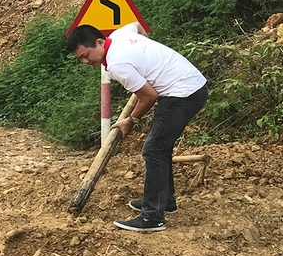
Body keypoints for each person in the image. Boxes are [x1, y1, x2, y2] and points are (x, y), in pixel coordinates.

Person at [67, 23, 208, 233]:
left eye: (86, 55)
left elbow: (149, 96)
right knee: (161, 148)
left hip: (183, 93)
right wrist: (146, 55)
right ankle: (164, 201)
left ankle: (152, 218)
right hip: (191, 85)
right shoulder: (120, 34)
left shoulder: (117, 64)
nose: (86, 61)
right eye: (81, 59)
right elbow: (137, 26)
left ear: (99, 42)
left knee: (154, 150)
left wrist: (130, 120)